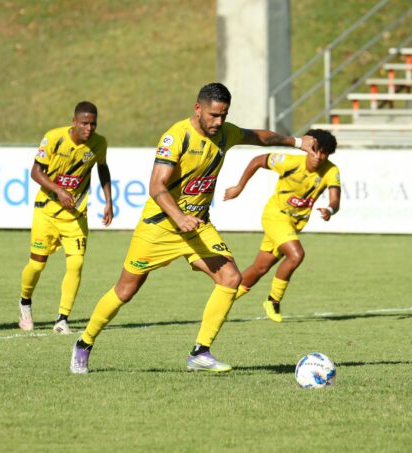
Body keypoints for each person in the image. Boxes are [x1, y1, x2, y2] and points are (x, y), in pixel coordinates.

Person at [70, 82, 317, 374]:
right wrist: (179, 217)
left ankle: (200, 352)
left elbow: (259, 137)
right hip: (160, 227)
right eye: (214, 115)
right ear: (198, 109)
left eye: (224, 115)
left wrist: (296, 142)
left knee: (230, 277)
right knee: (125, 290)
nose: (219, 122)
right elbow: (156, 186)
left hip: (198, 225)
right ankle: (84, 343)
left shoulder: (225, 133)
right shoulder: (177, 137)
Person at [223, 129, 341, 322]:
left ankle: (224, 298)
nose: (318, 157)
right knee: (296, 255)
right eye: (315, 151)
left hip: (292, 224)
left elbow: (335, 200)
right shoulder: (289, 162)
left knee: (260, 268)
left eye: (324, 153)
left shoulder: (331, 171)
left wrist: (330, 209)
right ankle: (273, 301)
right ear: (308, 149)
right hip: (275, 216)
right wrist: (239, 187)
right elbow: (258, 160)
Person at [17, 101, 113, 334]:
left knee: (76, 263)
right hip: (47, 210)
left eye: (93, 124)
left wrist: (109, 201)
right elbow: (35, 172)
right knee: (37, 264)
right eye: (84, 123)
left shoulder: (99, 143)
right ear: (73, 122)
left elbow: (102, 167)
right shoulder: (53, 138)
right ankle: (25, 303)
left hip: (76, 214)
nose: (89, 128)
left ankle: (62, 319)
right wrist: (59, 191)